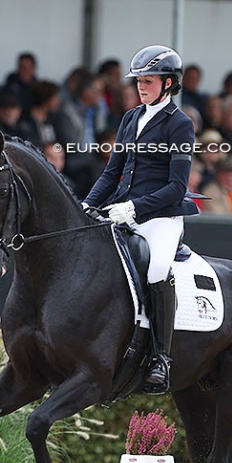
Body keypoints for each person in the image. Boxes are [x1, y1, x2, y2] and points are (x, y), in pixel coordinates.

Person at [82, 45, 198, 393]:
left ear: (168, 84)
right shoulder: (131, 118)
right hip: (120, 210)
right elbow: (111, 172)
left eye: (148, 81)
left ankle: (161, 358)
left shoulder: (180, 125)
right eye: (139, 82)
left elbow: (177, 187)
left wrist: (134, 209)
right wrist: (87, 205)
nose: (141, 87)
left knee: (157, 270)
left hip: (160, 217)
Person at [17, 80, 61, 147]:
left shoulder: (52, 119)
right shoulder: (24, 123)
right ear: (46, 99)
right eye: (55, 97)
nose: (58, 101)